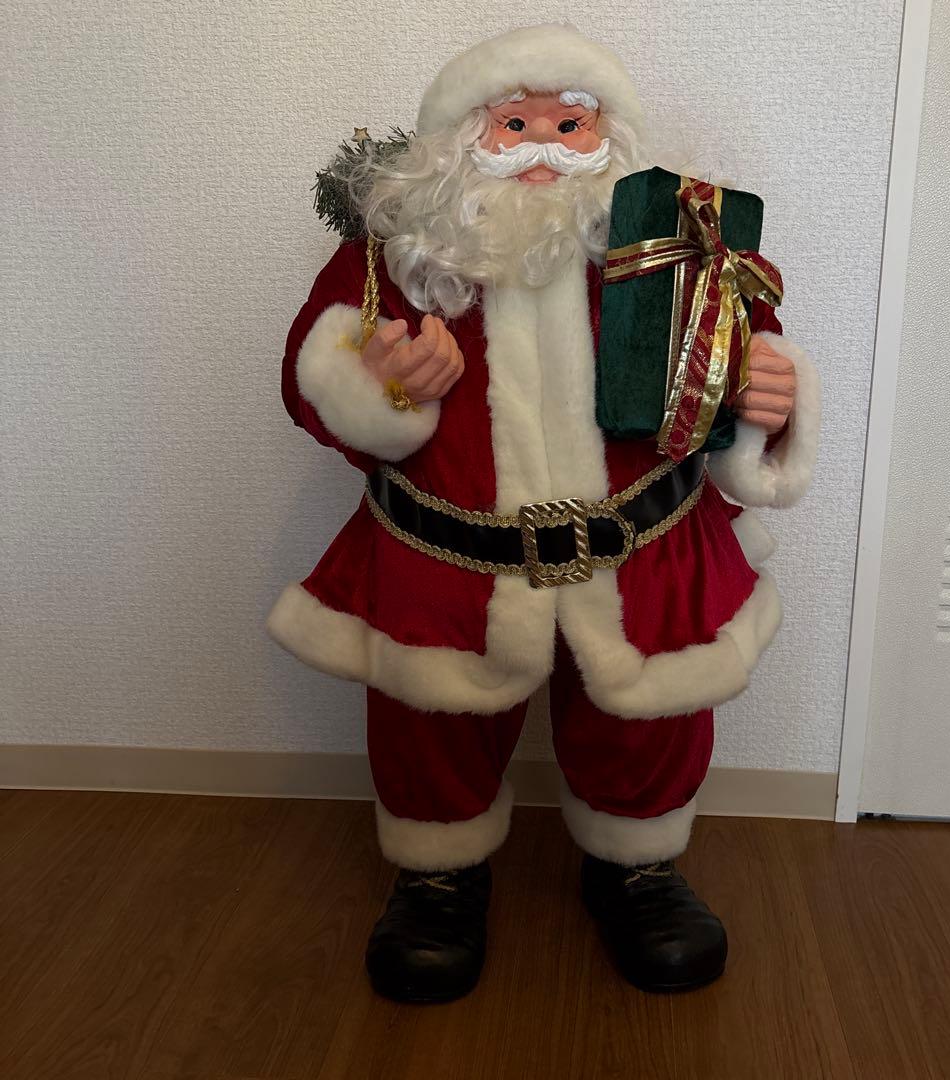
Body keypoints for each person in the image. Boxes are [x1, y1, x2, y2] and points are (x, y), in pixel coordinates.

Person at [269, 24, 820, 1004]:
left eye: (570, 126)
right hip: (448, 556)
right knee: (429, 723)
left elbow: (745, 342)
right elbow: (312, 382)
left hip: (643, 547)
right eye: (513, 124)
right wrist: (382, 384)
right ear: (458, 137)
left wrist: (759, 396)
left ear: (611, 137)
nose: (541, 148)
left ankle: (636, 866)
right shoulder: (393, 252)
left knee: (647, 722)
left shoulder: (678, 243)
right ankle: (438, 874)